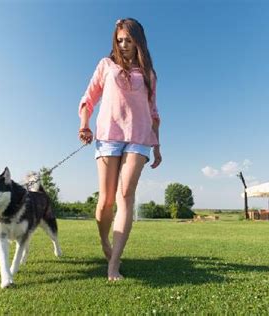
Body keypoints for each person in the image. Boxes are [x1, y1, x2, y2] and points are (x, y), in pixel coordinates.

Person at [78, 18, 161, 281]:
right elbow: (89, 97)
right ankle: (105, 241)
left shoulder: (148, 74)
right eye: (120, 40)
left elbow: (153, 112)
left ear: (138, 41)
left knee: (126, 195)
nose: (124, 45)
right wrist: (84, 124)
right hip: (108, 136)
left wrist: (157, 146)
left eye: (128, 40)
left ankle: (113, 264)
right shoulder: (106, 65)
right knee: (106, 201)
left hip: (139, 137)